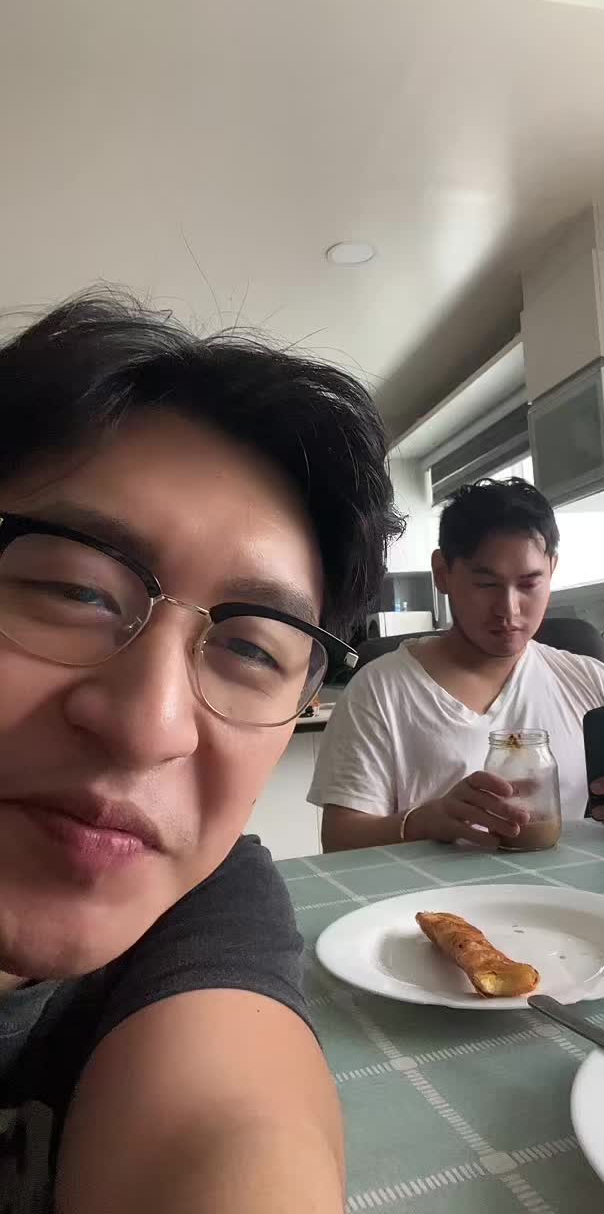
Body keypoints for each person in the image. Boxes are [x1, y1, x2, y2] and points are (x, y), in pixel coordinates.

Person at [0, 290, 403, 1213]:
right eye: (75, 592)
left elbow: (233, 1135)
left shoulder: (201, 897)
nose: (151, 727)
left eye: (254, 650)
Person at [310, 478, 604, 852]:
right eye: (486, 583)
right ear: (442, 573)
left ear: (552, 570)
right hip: (438, 901)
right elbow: (339, 839)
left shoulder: (592, 683)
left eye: (529, 583)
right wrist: (425, 821)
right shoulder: (380, 692)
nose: (508, 609)